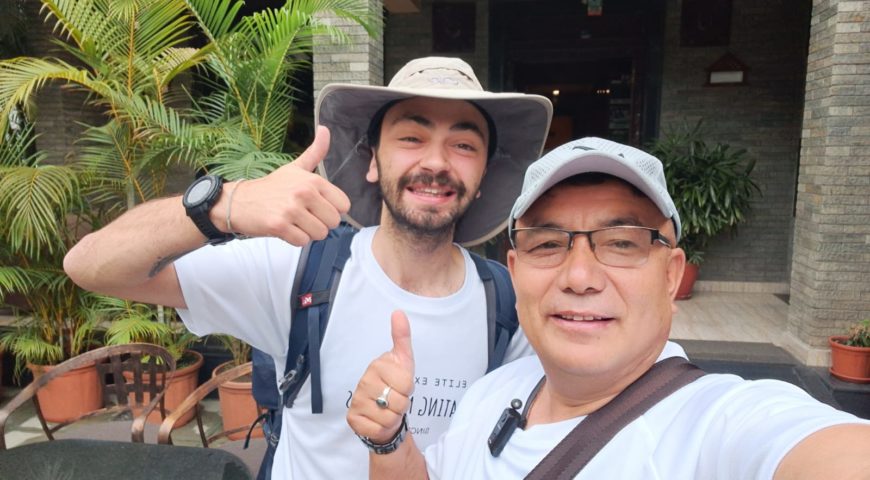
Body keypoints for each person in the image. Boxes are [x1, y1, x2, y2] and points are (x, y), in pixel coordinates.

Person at [63, 57, 553, 479]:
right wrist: (224, 203)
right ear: (372, 161)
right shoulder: (300, 267)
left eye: (464, 145)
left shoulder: (510, 302)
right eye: (411, 136)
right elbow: (90, 265)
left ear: (483, 174)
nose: (437, 161)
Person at [346, 137, 870, 479]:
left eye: (622, 243)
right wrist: (391, 442)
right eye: (548, 243)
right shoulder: (494, 391)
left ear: (670, 275)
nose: (579, 277)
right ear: (514, 265)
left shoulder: (713, 427)